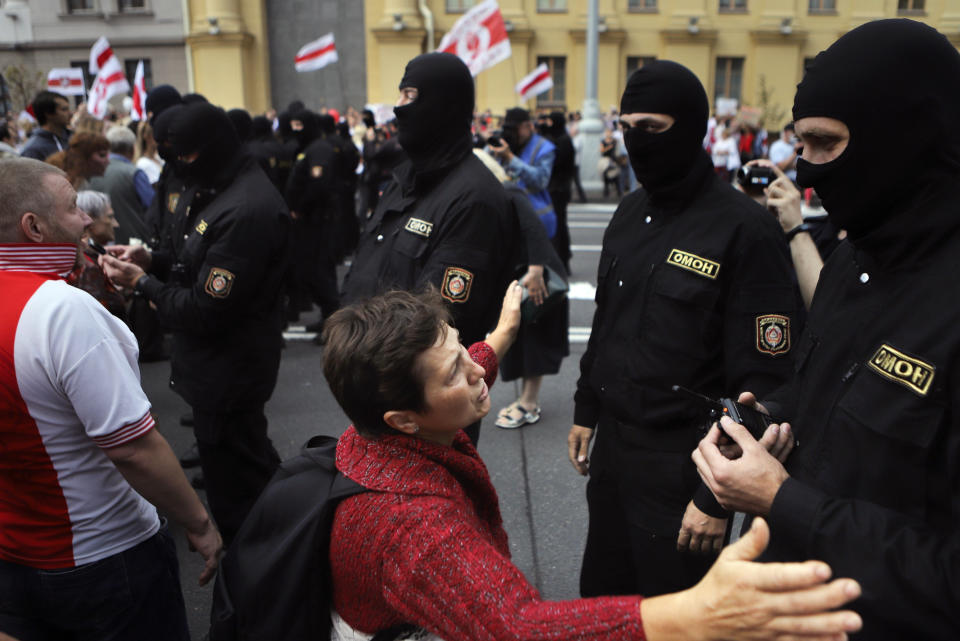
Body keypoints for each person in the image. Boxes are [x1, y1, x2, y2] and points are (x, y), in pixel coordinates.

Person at [322, 284, 862, 641]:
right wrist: (694, 614)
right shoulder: (413, 528)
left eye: (462, 347)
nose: (475, 371)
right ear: (403, 420)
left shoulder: (381, 426)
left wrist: (502, 335)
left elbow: (470, 365)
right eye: (451, 376)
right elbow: (517, 627)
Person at [691, 19, 960, 640]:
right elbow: (838, 401)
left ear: (905, 138)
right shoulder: (850, 257)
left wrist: (783, 501)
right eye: (799, 144)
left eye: (824, 144)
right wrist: (763, 426)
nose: (806, 172)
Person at [568, 61, 802, 599]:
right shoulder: (628, 213)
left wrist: (715, 495)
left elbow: (767, 383)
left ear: (692, 127)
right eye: (626, 127)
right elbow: (607, 325)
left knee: (678, 617)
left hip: (685, 467)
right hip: (614, 459)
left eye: (651, 128)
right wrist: (586, 406)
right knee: (605, 604)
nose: (635, 141)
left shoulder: (745, 229)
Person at [0, 157, 221, 640]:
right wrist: (201, 523)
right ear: (33, 227)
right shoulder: (63, 311)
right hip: (102, 557)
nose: (86, 219)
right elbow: (132, 448)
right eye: (74, 207)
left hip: (12, 555)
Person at [99, 103, 291, 546]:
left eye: (184, 157)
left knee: (239, 496)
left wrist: (143, 283)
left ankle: (262, 579)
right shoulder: (217, 187)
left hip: (230, 369)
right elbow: (196, 265)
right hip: (214, 369)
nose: (178, 167)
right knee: (246, 468)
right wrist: (154, 261)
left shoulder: (245, 206)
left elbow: (206, 309)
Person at [340, 52, 515, 367]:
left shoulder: (474, 198)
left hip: (419, 395)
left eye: (410, 96)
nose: (398, 106)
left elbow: (439, 323)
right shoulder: (404, 179)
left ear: (443, 106)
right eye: (400, 94)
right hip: (369, 379)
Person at [88, 125, 154, 245]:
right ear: (132, 150)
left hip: (101, 244)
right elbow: (153, 209)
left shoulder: (93, 172)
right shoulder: (135, 173)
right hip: (134, 245)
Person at [67, 190, 127, 321]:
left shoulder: (93, 257)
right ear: (90, 220)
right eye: (110, 217)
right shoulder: (87, 265)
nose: (116, 224)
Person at [19, 91, 71, 161]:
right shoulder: (32, 150)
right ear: (48, 114)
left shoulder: (74, 138)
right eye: (64, 109)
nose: (70, 113)